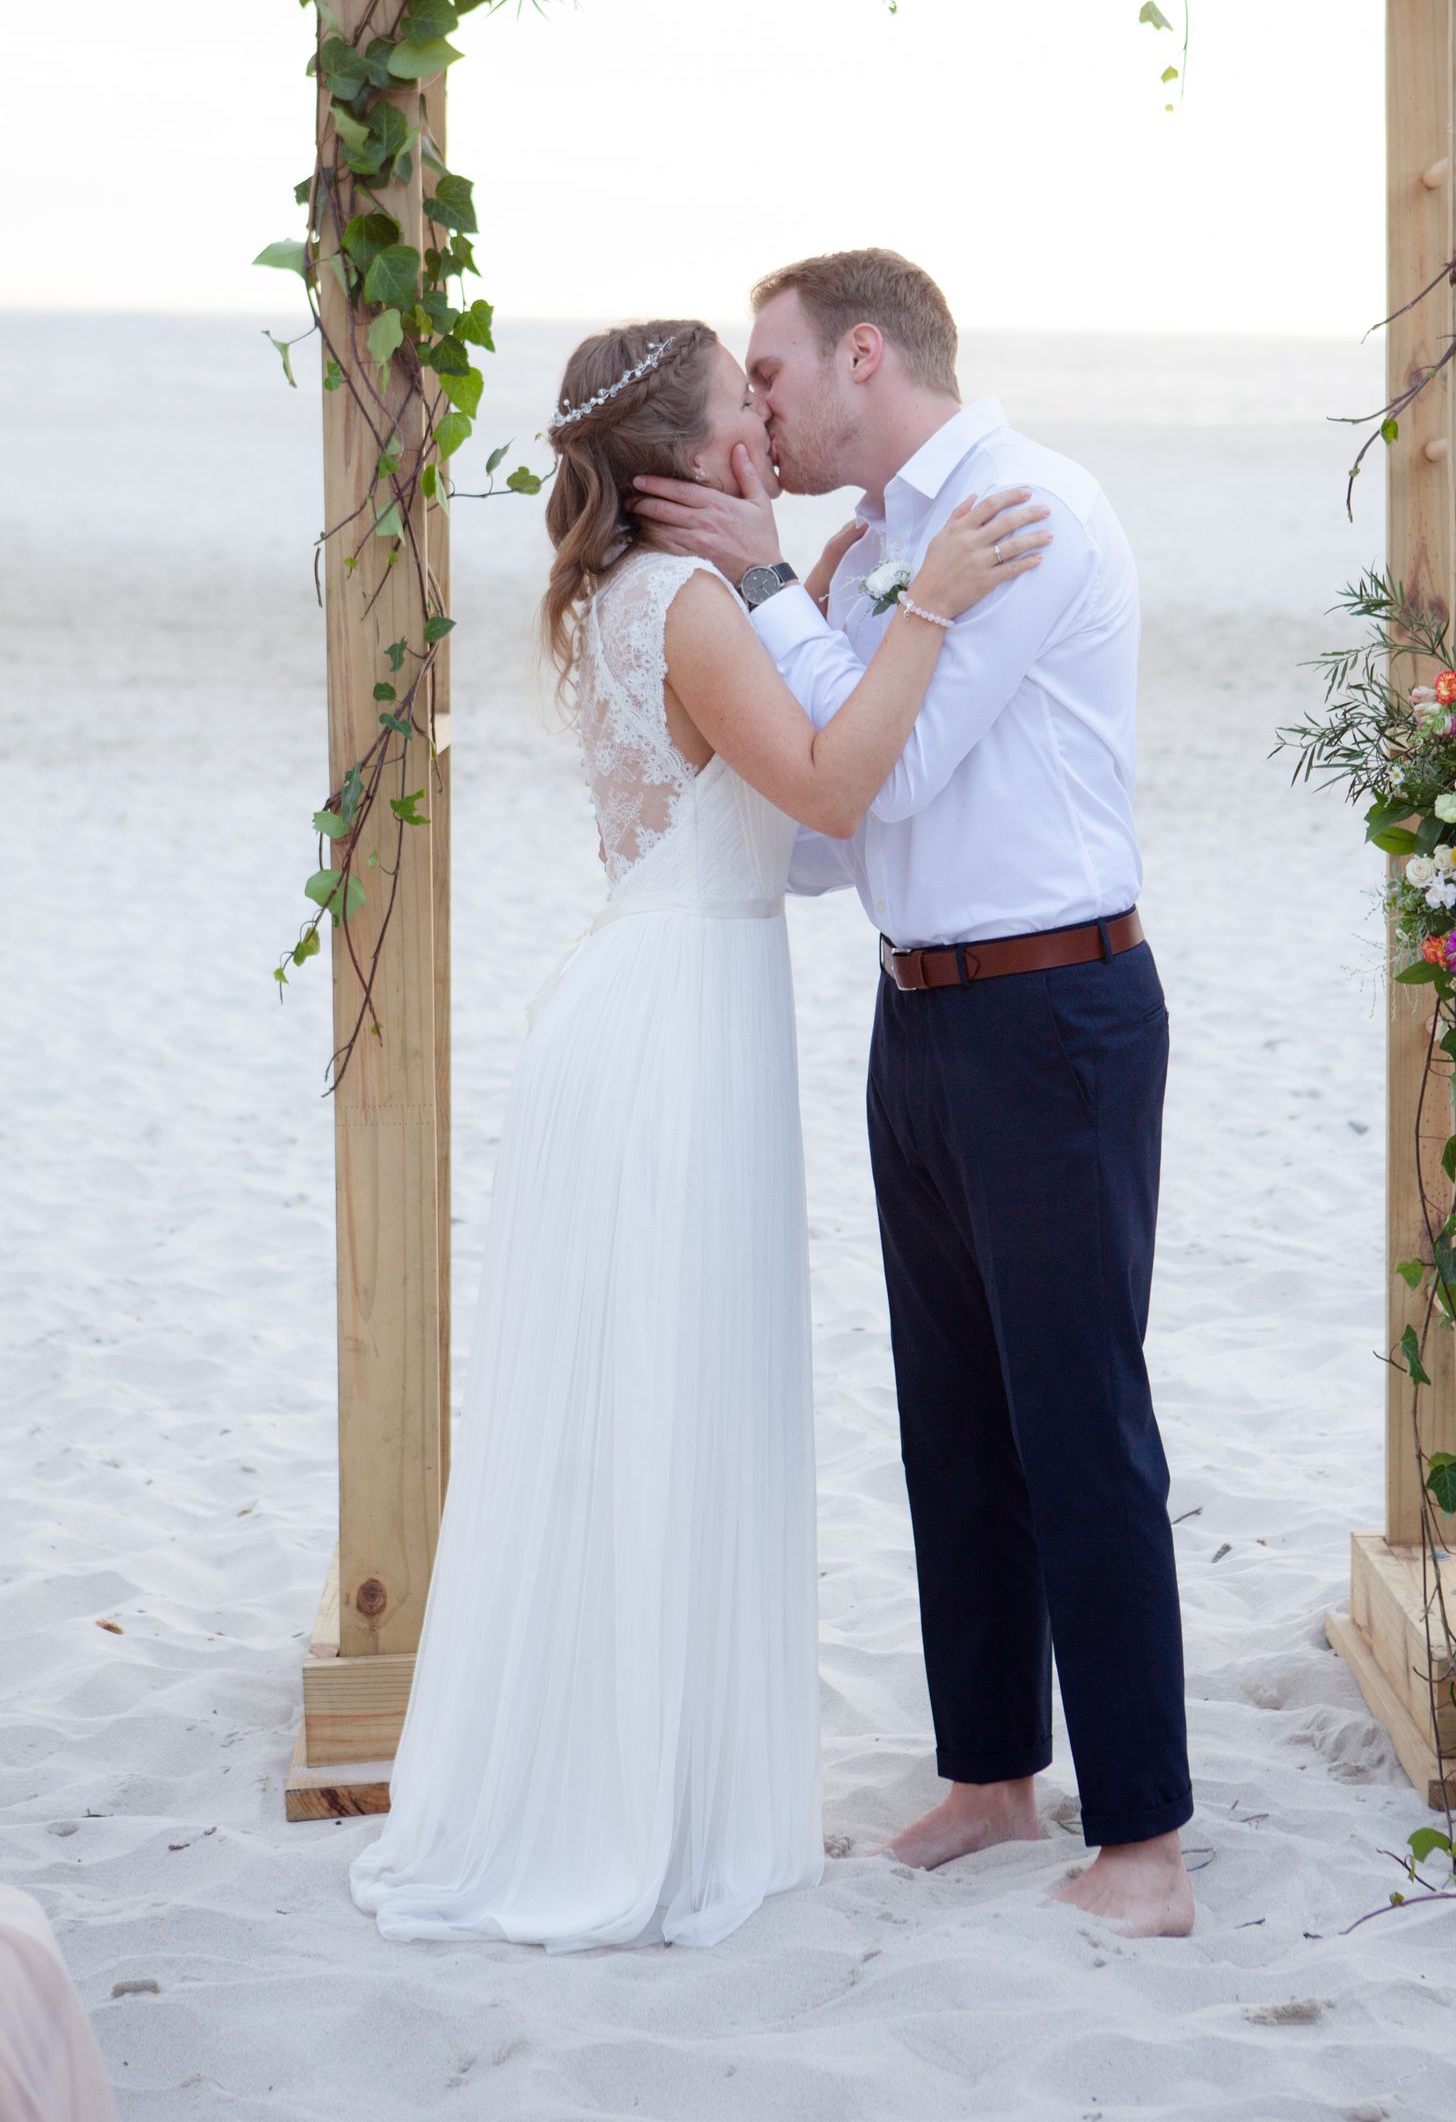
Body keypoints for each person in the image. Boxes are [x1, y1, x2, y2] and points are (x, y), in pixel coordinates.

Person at [348, 321, 1047, 1953]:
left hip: (663, 999)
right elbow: (826, 792)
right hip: (673, 1030)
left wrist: (804, 590)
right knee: (664, 1396)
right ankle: (641, 1809)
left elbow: (776, 829)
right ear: (692, 457)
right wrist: (928, 603)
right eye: (749, 405)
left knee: (649, 1399)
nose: (772, 422)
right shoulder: (684, 605)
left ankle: (632, 1768)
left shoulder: (633, 597)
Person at [635, 249, 1195, 1940]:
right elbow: (832, 832)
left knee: (1076, 1416)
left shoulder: (1019, 512)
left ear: (863, 353)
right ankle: (990, 1774)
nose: (761, 408)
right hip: (921, 1010)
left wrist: (773, 598)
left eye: (775, 372)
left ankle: (1149, 1844)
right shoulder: (875, 552)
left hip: (1057, 1010)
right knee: (948, 1410)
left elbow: (917, 753)